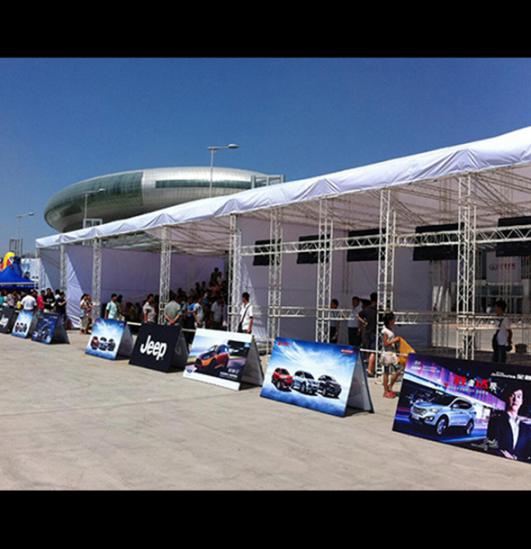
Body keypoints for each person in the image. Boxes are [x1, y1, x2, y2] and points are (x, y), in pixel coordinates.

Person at [486, 386, 531, 462]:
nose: (515, 399)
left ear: (522, 401)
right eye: (512, 396)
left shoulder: (526, 429)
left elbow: (527, 453)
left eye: (519, 397)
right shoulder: (496, 421)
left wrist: (515, 459)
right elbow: (490, 445)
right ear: (507, 398)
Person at [380, 312, 402, 399]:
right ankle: (386, 391)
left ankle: (389, 387)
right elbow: (385, 343)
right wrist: (395, 340)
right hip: (387, 354)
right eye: (393, 319)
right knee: (386, 372)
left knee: (398, 370)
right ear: (390, 321)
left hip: (392, 353)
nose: (394, 321)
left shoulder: (390, 329)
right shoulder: (385, 331)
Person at [359, 292, 378, 376]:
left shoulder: (367, 309)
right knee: (373, 352)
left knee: (368, 350)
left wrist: (364, 322)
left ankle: (369, 368)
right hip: (374, 332)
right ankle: (370, 370)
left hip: (367, 332)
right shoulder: (377, 310)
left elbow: (358, 315)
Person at [492, 299, 512, 363]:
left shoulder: (505, 319)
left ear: (500, 308)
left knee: (501, 362)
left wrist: (509, 341)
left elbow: (509, 331)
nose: (495, 309)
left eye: (496, 307)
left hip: (503, 344)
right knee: (495, 361)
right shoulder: (497, 318)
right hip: (497, 343)